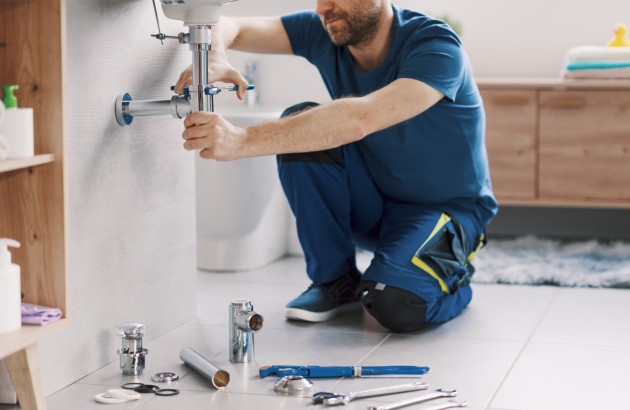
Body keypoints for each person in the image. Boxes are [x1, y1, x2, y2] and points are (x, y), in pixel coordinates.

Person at [175, 0, 498, 332]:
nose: (322, 8)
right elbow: (230, 25)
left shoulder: (436, 46)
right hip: (374, 199)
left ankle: (455, 277)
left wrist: (241, 140)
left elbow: (361, 117)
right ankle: (336, 283)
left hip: (445, 210)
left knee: (394, 303)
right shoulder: (324, 30)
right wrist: (213, 55)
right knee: (300, 125)